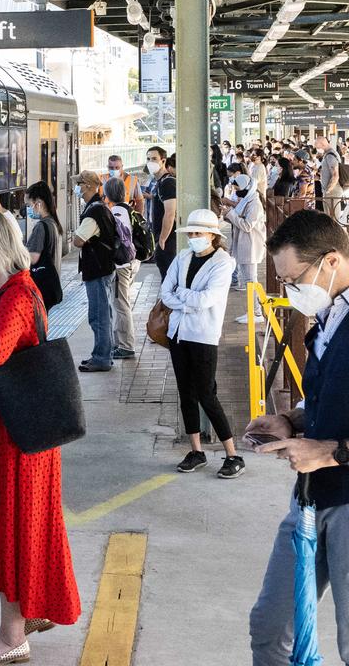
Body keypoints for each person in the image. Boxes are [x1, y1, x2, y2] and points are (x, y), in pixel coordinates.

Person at [0, 210, 81, 666]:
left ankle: (12, 638)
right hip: (12, 436)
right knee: (18, 527)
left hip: (16, 442)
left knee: (12, 533)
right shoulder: (7, 292)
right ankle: (31, 609)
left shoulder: (15, 296)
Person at [247, 209, 349, 665]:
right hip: (310, 499)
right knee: (270, 627)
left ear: (331, 262)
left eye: (294, 280)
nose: (290, 293)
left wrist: (332, 451)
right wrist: (293, 420)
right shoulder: (329, 316)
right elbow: (328, 393)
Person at [160, 209, 244, 478]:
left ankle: (233, 454)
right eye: (191, 233)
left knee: (207, 395)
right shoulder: (183, 257)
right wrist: (187, 299)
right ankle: (196, 451)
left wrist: (181, 297)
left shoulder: (223, 263)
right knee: (186, 393)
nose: (193, 238)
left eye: (198, 233)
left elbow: (206, 300)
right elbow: (165, 293)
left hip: (203, 336)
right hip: (178, 334)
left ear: (212, 235)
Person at [72, 170, 117, 372]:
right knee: (103, 314)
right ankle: (104, 353)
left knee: (98, 316)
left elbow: (77, 241)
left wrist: (80, 237)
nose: (77, 188)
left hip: (97, 270)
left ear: (89, 186)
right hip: (103, 268)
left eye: (80, 184)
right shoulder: (100, 207)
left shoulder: (94, 212)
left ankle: (101, 358)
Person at [104, 177, 139, 360]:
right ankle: (122, 343)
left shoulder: (116, 211)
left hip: (120, 266)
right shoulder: (126, 208)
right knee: (120, 304)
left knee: (121, 305)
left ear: (108, 194)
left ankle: (126, 346)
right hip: (128, 262)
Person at [223, 173, 266, 322]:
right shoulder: (246, 199)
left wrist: (230, 214)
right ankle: (253, 311)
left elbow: (247, 226)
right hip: (244, 244)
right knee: (248, 279)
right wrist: (228, 215)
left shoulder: (255, 204)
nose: (236, 192)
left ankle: (256, 313)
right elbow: (237, 217)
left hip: (251, 245)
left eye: (238, 188)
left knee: (250, 280)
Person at [147, 148, 177, 279]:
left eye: (154, 159)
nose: (150, 162)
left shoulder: (168, 182)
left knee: (168, 277)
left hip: (168, 240)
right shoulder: (159, 182)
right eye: (148, 159)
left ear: (163, 161)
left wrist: (162, 239)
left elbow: (170, 213)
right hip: (161, 237)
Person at [24, 180, 62, 277]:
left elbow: (32, 258)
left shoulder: (41, 226)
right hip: (52, 284)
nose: (27, 209)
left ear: (38, 204)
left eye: (28, 205)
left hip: (42, 286)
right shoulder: (53, 222)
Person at [317, 134, 346, 217]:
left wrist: (328, 191)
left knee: (332, 217)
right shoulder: (329, 154)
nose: (317, 149)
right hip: (331, 190)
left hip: (333, 191)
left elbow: (335, 175)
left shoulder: (330, 156)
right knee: (329, 217)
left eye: (317, 146)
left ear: (323, 144)